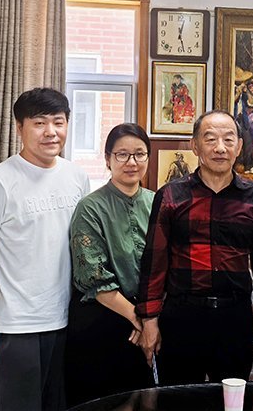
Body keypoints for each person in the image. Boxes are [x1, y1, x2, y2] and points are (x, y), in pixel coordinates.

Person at [135, 110, 253, 385]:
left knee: (231, 399)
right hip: (182, 316)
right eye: (210, 139)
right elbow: (155, 262)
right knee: (177, 398)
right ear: (195, 146)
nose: (220, 148)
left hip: (234, 318)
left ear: (239, 146)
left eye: (228, 139)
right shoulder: (171, 195)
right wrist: (149, 319)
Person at [0, 88, 90, 411]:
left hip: (64, 318)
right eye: (39, 123)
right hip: (15, 323)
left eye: (58, 122)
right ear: (19, 128)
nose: (51, 132)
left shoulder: (77, 177)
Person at [66, 123, 154, 406]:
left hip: (146, 321)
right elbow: (93, 276)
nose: (132, 162)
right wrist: (138, 319)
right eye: (122, 154)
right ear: (107, 159)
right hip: (101, 322)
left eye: (139, 154)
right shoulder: (90, 207)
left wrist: (149, 319)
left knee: (142, 400)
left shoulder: (158, 203)